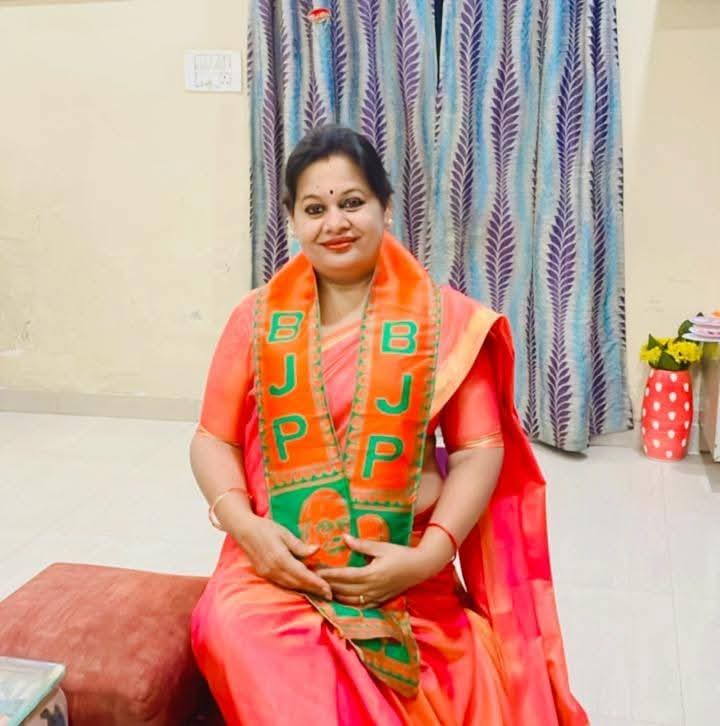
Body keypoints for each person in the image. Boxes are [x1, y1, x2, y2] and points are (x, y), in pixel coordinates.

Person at [189, 125, 587, 725]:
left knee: (467, 684)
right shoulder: (256, 319)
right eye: (314, 209)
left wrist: (429, 556)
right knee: (238, 631)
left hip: (401, 565)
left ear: (386, 207)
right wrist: (247, 528)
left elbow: (479, 450)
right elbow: (211, 440)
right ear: (292, 220)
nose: (335, 222)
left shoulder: (446, 322)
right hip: (277, 565)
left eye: (352, 202)